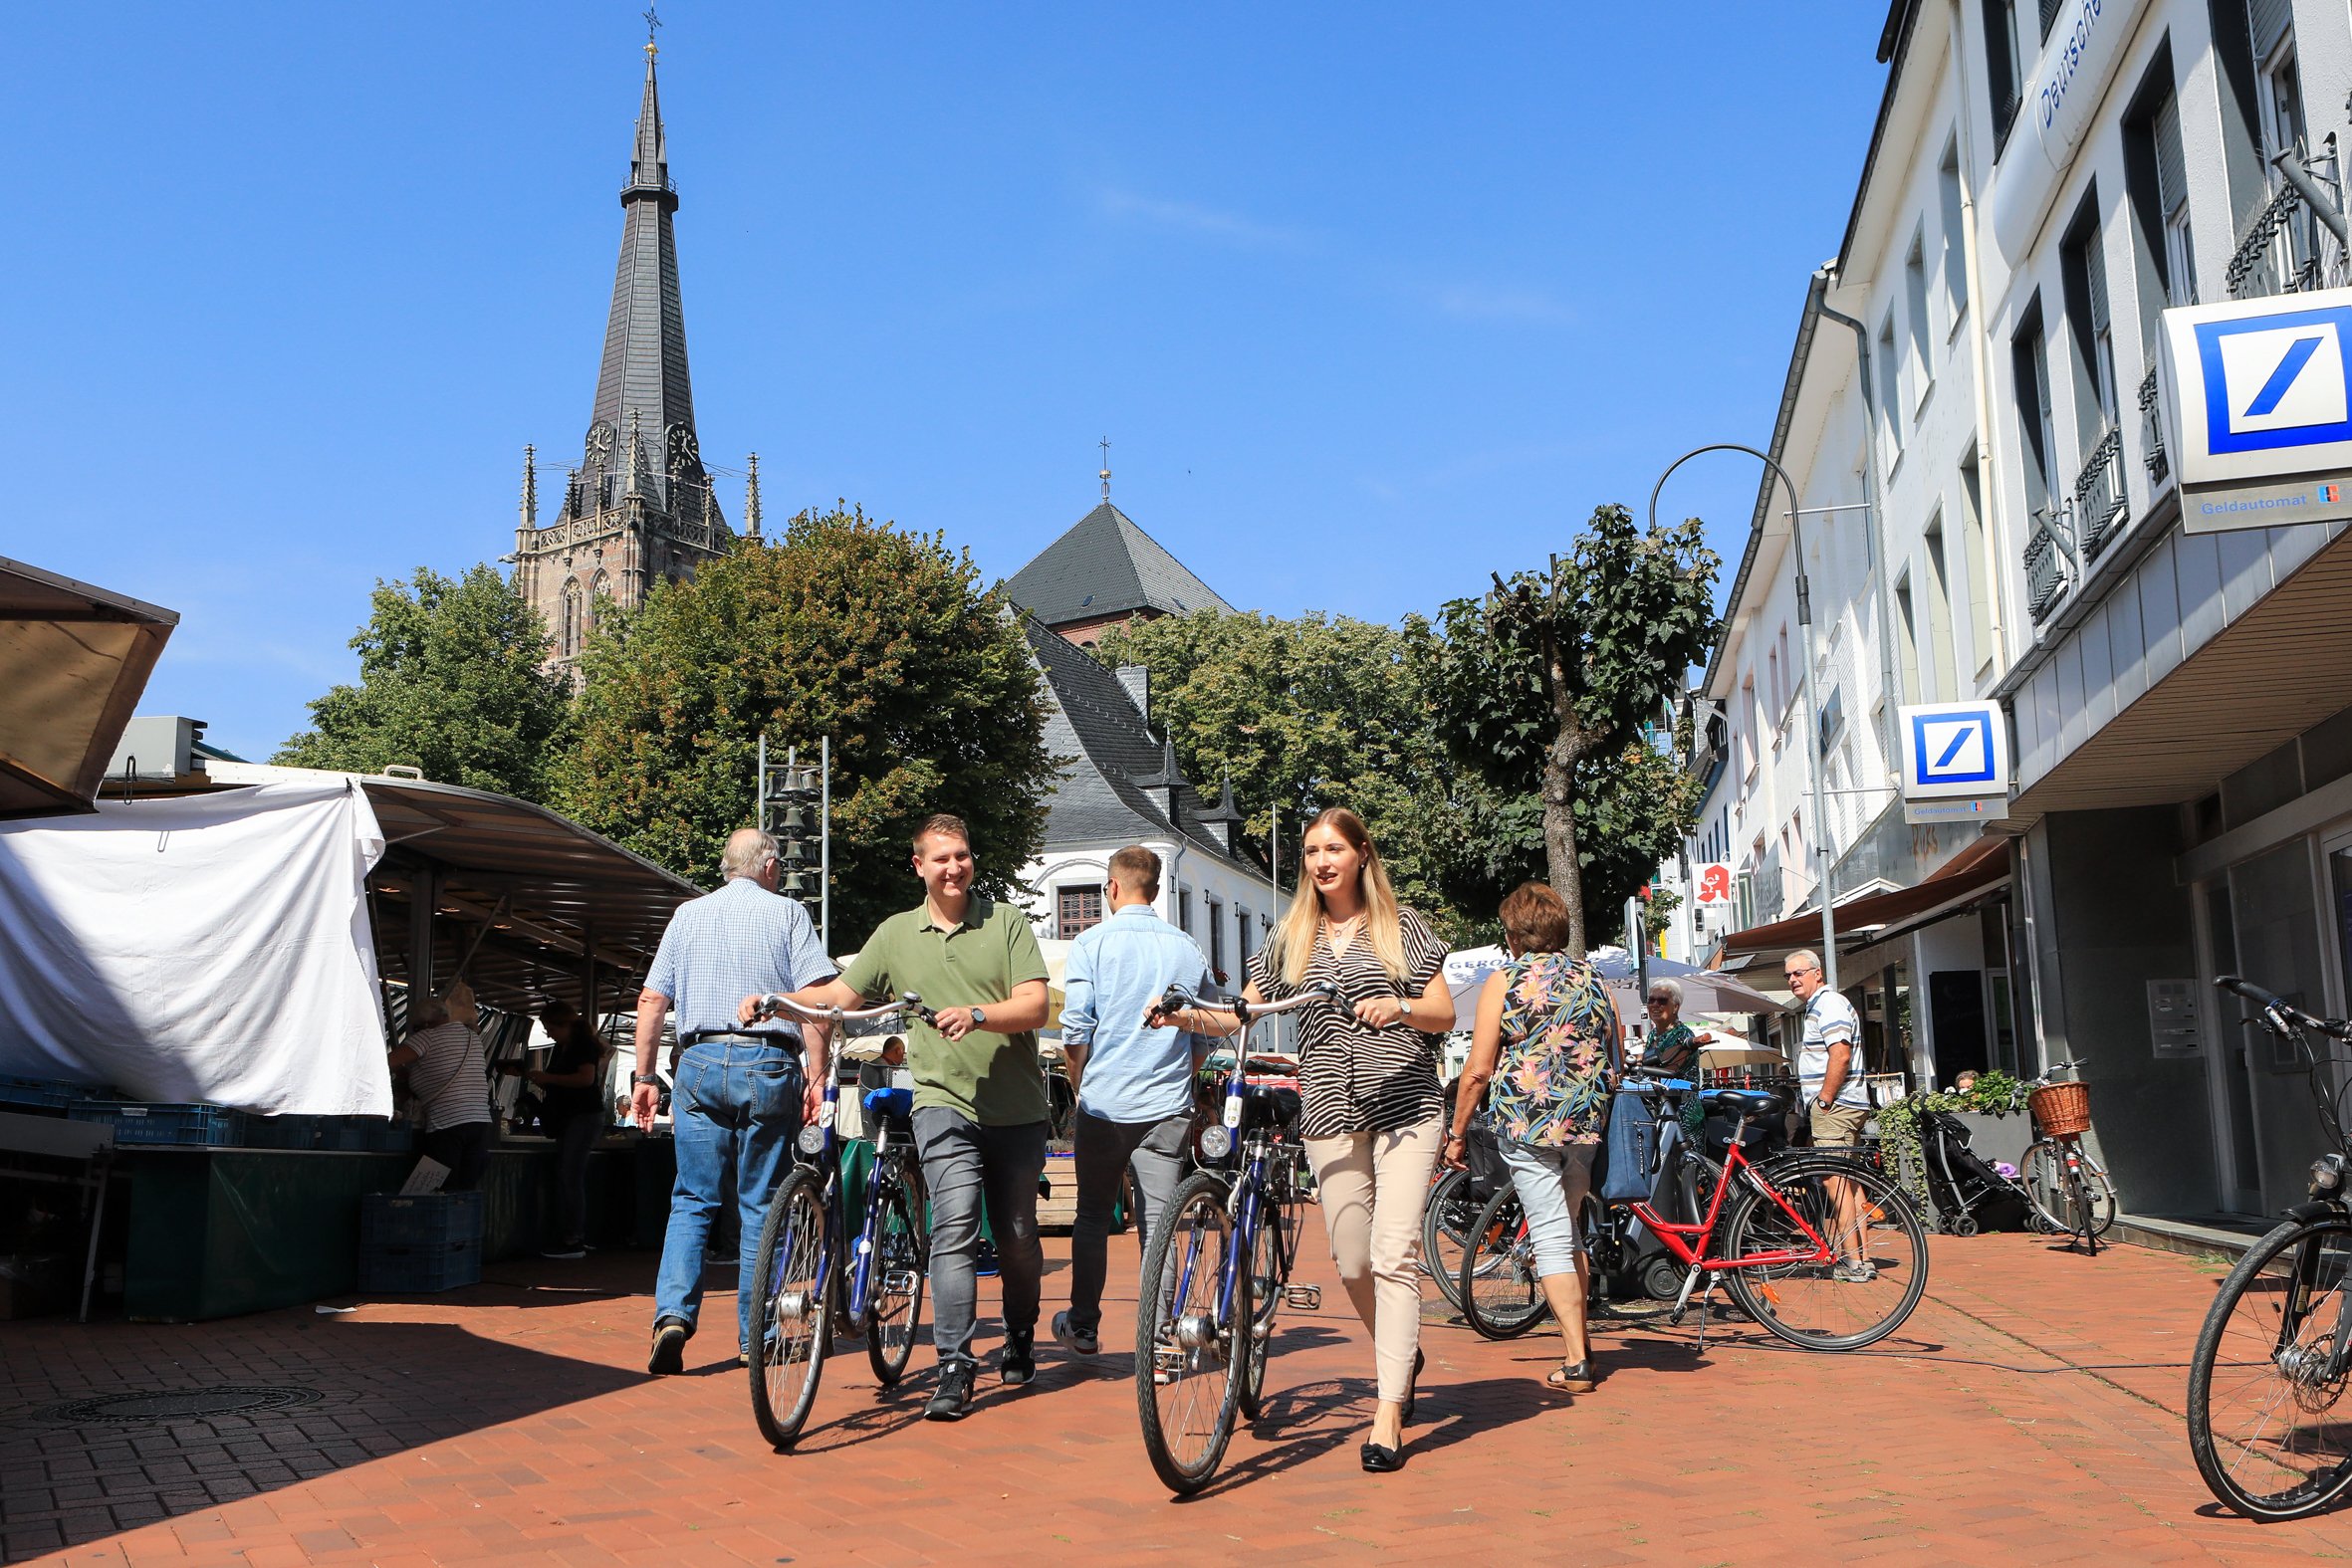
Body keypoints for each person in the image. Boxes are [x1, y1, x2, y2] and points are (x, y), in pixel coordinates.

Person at [1151, 806, 1453, 1473]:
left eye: (1334, 848)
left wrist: (1400, 1006)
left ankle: (1388, 1409)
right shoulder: (1291, 935)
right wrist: (1181, 1015)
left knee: (1394, 1251)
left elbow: (1443, 1009)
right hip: (1329, 1111)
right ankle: (1402, 1354)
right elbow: (1245, 1010)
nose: (1321, 860)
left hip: (1405, 1105)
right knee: (1352, 1260)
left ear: (1361, 854)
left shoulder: (1400, 930)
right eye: (1313, 850)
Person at [755, 813, 1053, 1422]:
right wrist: (775, 1000)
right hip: (942, 1102)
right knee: (954, 1227)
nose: (954, 867)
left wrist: (978, 1014)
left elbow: (1036, 1005)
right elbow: (841, 998)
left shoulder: (1006, 923)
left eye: (962, 856)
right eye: (941, 858)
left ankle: (1020, 1333)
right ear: (919, 865)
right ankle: (955, 1366)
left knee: (1019, 1237)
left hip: (1016, 1110)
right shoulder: (895, 934)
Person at [630, 827, 834, 1376]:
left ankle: (672, 1316)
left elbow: (652, 1001)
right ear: (769, 868)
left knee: (692, 1200)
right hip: (766, 1063)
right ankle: (756, 1335)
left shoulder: (687, 916)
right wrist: (817, 1077)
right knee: (759, 1204)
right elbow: (814, 1003)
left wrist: (644, 1076)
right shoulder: (788, 914)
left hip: (697, 1061)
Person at [1444, 882, 1618, 1397]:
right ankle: (1580, 1341)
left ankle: (1576, 1360)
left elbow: (1477, 1069)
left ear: (1515, 934)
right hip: (1585, 1124)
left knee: (1549, 1238)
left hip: (1529, 1123)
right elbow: (1618, 1054)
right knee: (1567, 1229)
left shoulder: (1505, 981)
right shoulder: (1596, 980)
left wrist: (1456, 1134)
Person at [1050, 844, 1212, 1360]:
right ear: (1158, 891)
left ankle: (1084, 1325)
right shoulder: (1187, 947)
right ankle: (1161, 1337)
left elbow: (1076, 1028)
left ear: (1112, 888)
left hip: (1104, 1104)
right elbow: (1203, 1030)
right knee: (1159, 1222)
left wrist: (1080, 1084)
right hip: (1166, 1104)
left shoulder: (1091, 943)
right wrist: (1182, 1077)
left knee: (1093, 1217)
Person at [1785, 948, 1872, 1280]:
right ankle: (1863, 1258)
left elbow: (1841, 1053)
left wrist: (1824, 1099)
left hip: (1836, 1107)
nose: (1793, 979)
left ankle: (1852, 1263)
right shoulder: (1820, 1005)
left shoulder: (1829, 1003)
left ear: (1817, 973)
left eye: (1799, 973)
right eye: (1789, 975)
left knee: (1834, 1181)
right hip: (1846, 1104)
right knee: (1849, 1183)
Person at [507, 1000, 612, 1259]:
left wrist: (548, 1078)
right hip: (569, 1115)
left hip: (584, 1116)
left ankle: (573, 1238)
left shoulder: (582, 1046)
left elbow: (586, 1079)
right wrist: (536, 1078)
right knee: (568, 1175)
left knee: (570, 1175)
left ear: (564, 1024)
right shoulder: (561, 1047)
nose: (549, 1033)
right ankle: (572, 1234)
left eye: (550, 1028)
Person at [390, 980, 492, 1191]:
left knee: (441, 1186)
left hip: (447, 1123)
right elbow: (440, 1070)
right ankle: (462, 1221)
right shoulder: (472, 1037)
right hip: (480, 1122)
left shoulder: (426, 1038)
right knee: (466, 1186)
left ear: (425, 1024)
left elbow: (386, 1062)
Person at [1641, 979, 1699, 1077]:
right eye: (1651, 1000)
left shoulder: (1683, 1035)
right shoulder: (1653, 1034)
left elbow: (1666, 1070)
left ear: (1676, 1007)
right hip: (1653, 1090)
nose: (1655, 1005)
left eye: (1662, 1001)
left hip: (1677, 1091)